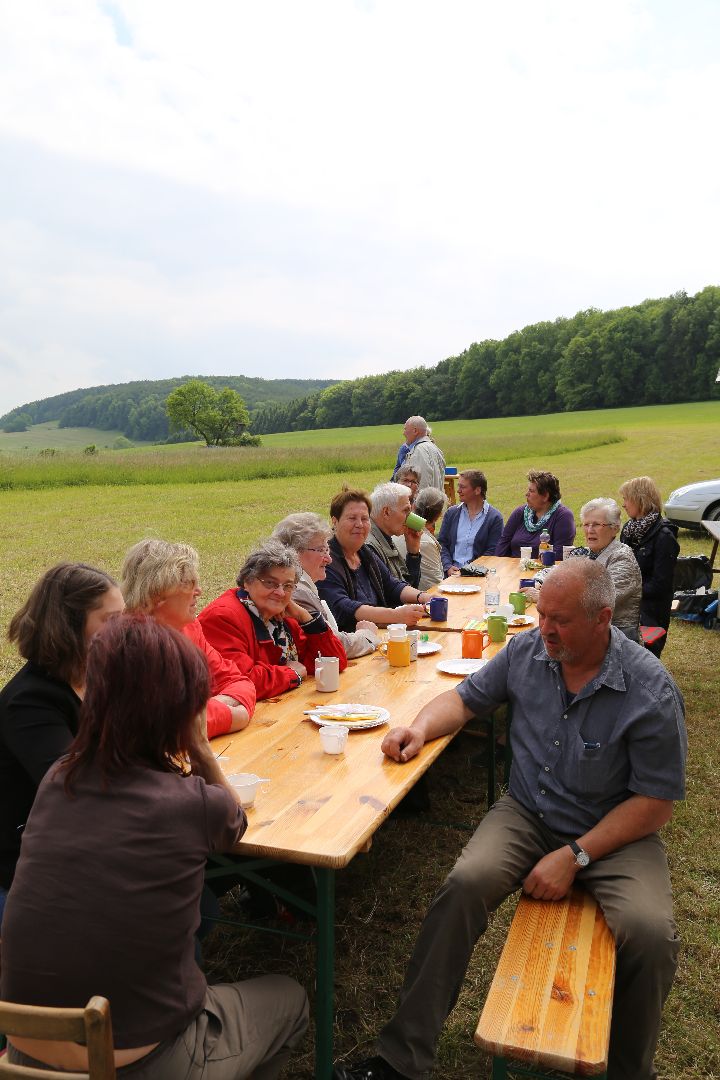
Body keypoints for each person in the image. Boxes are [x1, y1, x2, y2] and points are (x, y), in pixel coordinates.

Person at [334, 560, 686, 1080]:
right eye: (542, 614)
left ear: (603, 618)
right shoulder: (528, 651)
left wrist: (575, 855)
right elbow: (462, 699)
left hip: (613, 832)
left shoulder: (649, 689)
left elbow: (655, 803)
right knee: (463, 885)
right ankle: (402, 1059)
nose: (545, 627)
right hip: (528, 811)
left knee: (651, 934)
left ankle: (630, 1071)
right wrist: (418, 727)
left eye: (560, 619)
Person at [0, 614, 308, 1078]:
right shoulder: (192, 804)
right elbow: (234, 821)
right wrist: (200, 749)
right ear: (182, 710)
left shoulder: (56, 780)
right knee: (292, 999)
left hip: (25, 1052)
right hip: (137, 1059)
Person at [0, 562, 124, 921]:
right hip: (28, 863)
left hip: (86, 837)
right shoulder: (30, 701)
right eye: (109, 620)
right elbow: (76, 788)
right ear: (69, 625)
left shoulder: (96, 675)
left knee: (197, 902)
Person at [121, 539, 255, 737]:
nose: (198, 591)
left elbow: (238, 681)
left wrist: (210, 708)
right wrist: (232, 715)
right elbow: (166, 725)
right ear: (157, 592)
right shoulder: (125, 642)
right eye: (188, 584)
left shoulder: (189, 627)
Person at [199, 539, 347, 700]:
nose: (281, 593)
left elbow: (333, 663)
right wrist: (291, 674)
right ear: (247, 582)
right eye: (270, 583)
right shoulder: (223, 617)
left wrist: (305, 617)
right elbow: (237, 681)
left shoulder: (285, 616)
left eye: (288, 586)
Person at [318, 488, 430, 632]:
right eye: (352, 518)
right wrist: (395, 616)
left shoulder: (364, 552)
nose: (359, 524)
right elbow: (343, 607)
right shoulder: (326, 560)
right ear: (335, 521)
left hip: (378, 633)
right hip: (352, 641)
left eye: (364, 519)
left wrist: (425, 597)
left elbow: (392, 585)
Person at [271, 512, 379, 658]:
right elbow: (336, 646)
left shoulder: (305, 586)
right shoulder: (298, 591)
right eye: (321, 550)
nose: (328, 559)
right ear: (294, 553)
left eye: (327, 549)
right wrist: (367, 635)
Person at [619, 476, 680, 657]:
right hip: (627, 602)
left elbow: (661, 585)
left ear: (640, 499)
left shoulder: (664, 537)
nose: (623, 504)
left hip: (650, 610)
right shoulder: (629, 530)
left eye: (626, 499)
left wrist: (628, 592)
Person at [566, 498, 642, 642]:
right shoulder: (590, 553)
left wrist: (555, 597)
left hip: (616, 639)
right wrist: (539, 583)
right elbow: (560, 573)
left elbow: (599, 600)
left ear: (614, 528)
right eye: (586, 524)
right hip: (589, 632)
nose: (589, 530)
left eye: (596, 525)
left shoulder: (622, 558)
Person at [495, 469, 576, 558]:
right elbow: (503, 544)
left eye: (531, 491)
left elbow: (559, 555)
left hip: (545, 570)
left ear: (545, 496)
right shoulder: (520, 512)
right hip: (513, 568)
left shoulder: (563, 517)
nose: (526, 494)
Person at [437, 470, 504, 575]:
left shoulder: (494, 518)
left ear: (477, 490)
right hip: (450, 575)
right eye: (458, 486)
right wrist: (448, 567)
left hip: (478, 575)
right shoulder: (451, 513)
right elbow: (441, 543)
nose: (458, 491)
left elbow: (492, 551)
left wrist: (469, 571)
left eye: (462, 487)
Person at [366, 482, 424, 589]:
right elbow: (395, 596)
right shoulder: (370, 546)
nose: (410, 517)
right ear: (386, 512)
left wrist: (413, 552)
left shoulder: (385, 537)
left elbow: (408, 587)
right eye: (406, 510)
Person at [394, 487, 447, 590]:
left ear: (413, 505)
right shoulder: (426, 542)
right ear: (439, 515)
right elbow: (434, 585)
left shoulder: (395, 529)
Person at [393, 416, 445, 491]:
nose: (403, 433)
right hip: (436, 500)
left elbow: (421, 483)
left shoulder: (419, 451)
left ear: (415, 431)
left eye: (405, 429)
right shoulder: (435, 448)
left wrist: (418, 501)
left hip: (425, 501)